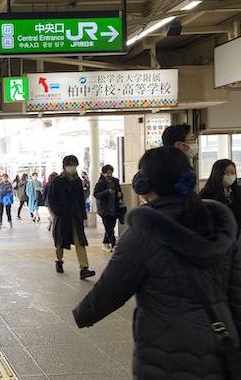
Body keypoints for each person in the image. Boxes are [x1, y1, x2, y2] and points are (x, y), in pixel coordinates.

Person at [73, 147, 241, 380]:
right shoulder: (220, 225)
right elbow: (236, 292)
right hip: (220, 344)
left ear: (143, 184)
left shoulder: (142, 233)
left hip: (165, 350)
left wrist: (82, 314)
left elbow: (113, 287)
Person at [48, 156, 95, 279]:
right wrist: (58, 212)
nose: (72, 167)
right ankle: (59, 261)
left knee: (80, 242)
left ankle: (84, 268)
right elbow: (51, 200)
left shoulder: (77, 181)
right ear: (64, 166)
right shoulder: (57, 181)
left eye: (74, 164)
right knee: (60, 242)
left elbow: (81, 200)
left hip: (75, 218)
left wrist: (83, 215)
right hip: (62, 218)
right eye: (70, 164)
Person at [200, 158, 241, 229]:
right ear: (218, 173)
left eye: (232, 173)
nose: (230, 176)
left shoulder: (238, 191)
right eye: (226, 173)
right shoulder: (206, 193)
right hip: (219, 233)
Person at [93, 165, 123, 252]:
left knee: (110, 227)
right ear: (103, 173)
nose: (109, 174)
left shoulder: (115, 181)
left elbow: (120, 193)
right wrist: (107, 192)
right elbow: (96, 195)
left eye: (110, 172)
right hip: (104, 209)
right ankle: (114, 244)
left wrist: (120, 194)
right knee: (109, 228)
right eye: (107, 172)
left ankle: (105, 243)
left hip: (115, 208)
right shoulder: (100, 184)